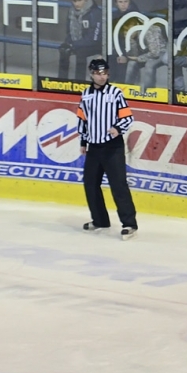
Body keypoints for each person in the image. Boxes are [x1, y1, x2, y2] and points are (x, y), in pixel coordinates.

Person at [77, 58, 138, 239]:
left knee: (118, 185)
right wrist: (83, 141)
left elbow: (128, 117)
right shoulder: (86, 94)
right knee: (90, 184)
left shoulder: (115, 93)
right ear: (91, 74)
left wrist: (118, 128)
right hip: (94, 147)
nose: (102, 77)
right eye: (98, 73)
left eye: (104, 73)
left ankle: (129, 224)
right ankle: (100, 220)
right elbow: (82, 119)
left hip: (112, 147)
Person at [59, 0, 103, 81]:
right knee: (64, 50)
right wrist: (68, 43)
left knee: (81, 52)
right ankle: (61, 81)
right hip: (78, 42)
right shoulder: (71, 12)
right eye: (74, 1)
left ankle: (79, 82)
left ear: (86, 0)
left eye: (79, 0)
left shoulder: (95, 13)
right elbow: (69, 32)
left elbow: (93, 39)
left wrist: (74, 44)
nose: (76, 4)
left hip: (96, 45)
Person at [111, 0, 141, 85]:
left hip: (132, 50)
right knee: (110, 58)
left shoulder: (133, 16)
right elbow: (112, 36)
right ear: (116, 3)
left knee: (121, 67)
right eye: (120, 2)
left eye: (125, 1)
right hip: (119, 48)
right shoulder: (114, 16)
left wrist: (123, 54)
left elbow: (133, 40)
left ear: (129, 2)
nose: (123, 4)